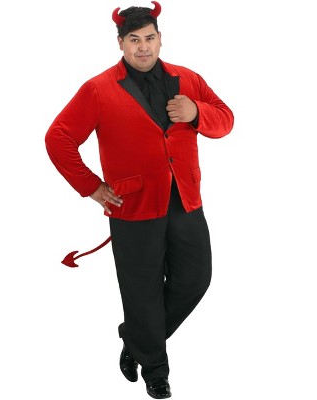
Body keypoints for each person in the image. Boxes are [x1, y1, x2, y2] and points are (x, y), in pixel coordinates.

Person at [45, 2, 234, 398]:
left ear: (160, 39)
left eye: (149, 38)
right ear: (120, 44)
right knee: (142, 291)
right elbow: (58, 138)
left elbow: (226, 119)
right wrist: (91, 186)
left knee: (196, 279)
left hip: (185, 200)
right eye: (134, 40)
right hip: (131, 206)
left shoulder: (189, 79)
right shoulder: (98, 89)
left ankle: (134, 338)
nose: (143, 47)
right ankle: (156, 371)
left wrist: (196, 112)